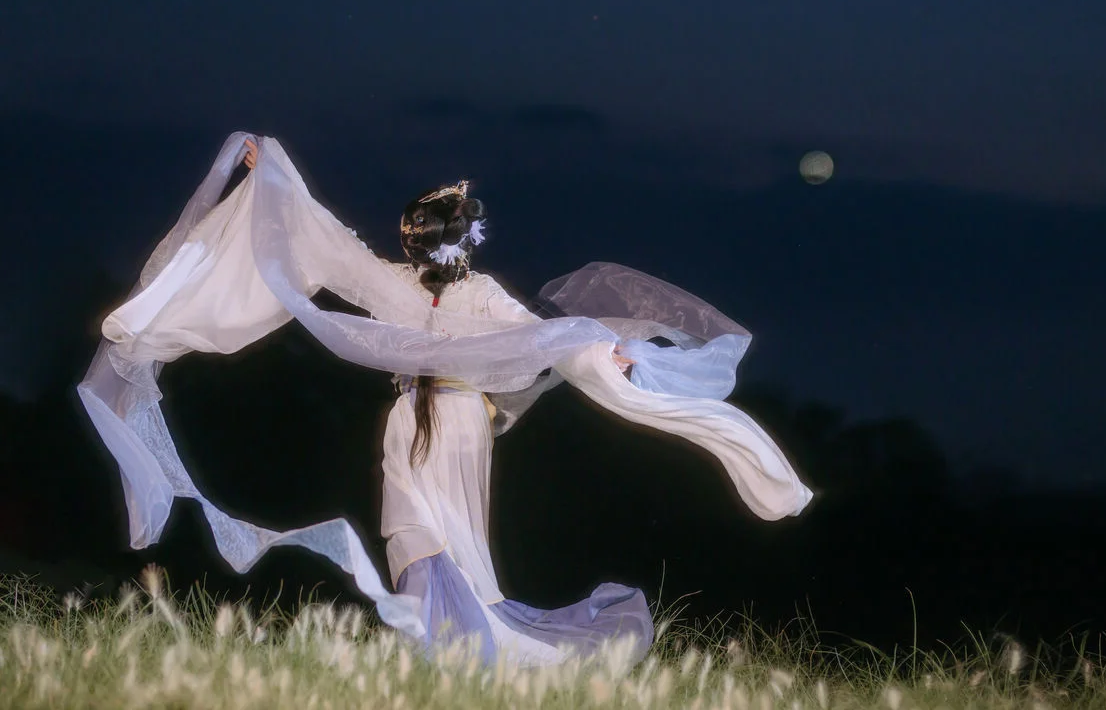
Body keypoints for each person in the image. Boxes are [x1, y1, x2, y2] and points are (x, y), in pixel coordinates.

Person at [82, 133, 812, 670]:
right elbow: (328, 242)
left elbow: (543, 337)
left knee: (451, 547)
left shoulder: (477, 295)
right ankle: (443, 650)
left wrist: (602, 352)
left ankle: (462, 653)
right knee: (410, 536)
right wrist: (272, 171)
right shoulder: (396, 286)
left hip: (461, 423)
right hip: (412, 422)